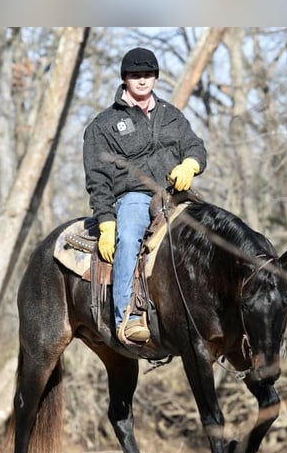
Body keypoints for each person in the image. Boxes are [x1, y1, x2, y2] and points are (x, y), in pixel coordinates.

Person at [83, 47, 207, 343]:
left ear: (155, 77)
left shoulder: (171, 116)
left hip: (176, 196)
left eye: (148, 75)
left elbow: (195, 146)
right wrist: (105, 221)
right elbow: (97, 178)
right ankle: (127, 315)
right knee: (129, 238)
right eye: (135, 75)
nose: (142, 81)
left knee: (213, 233)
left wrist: (191, 164)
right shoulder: (104, 125)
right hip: (134, 197)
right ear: (125, 79)